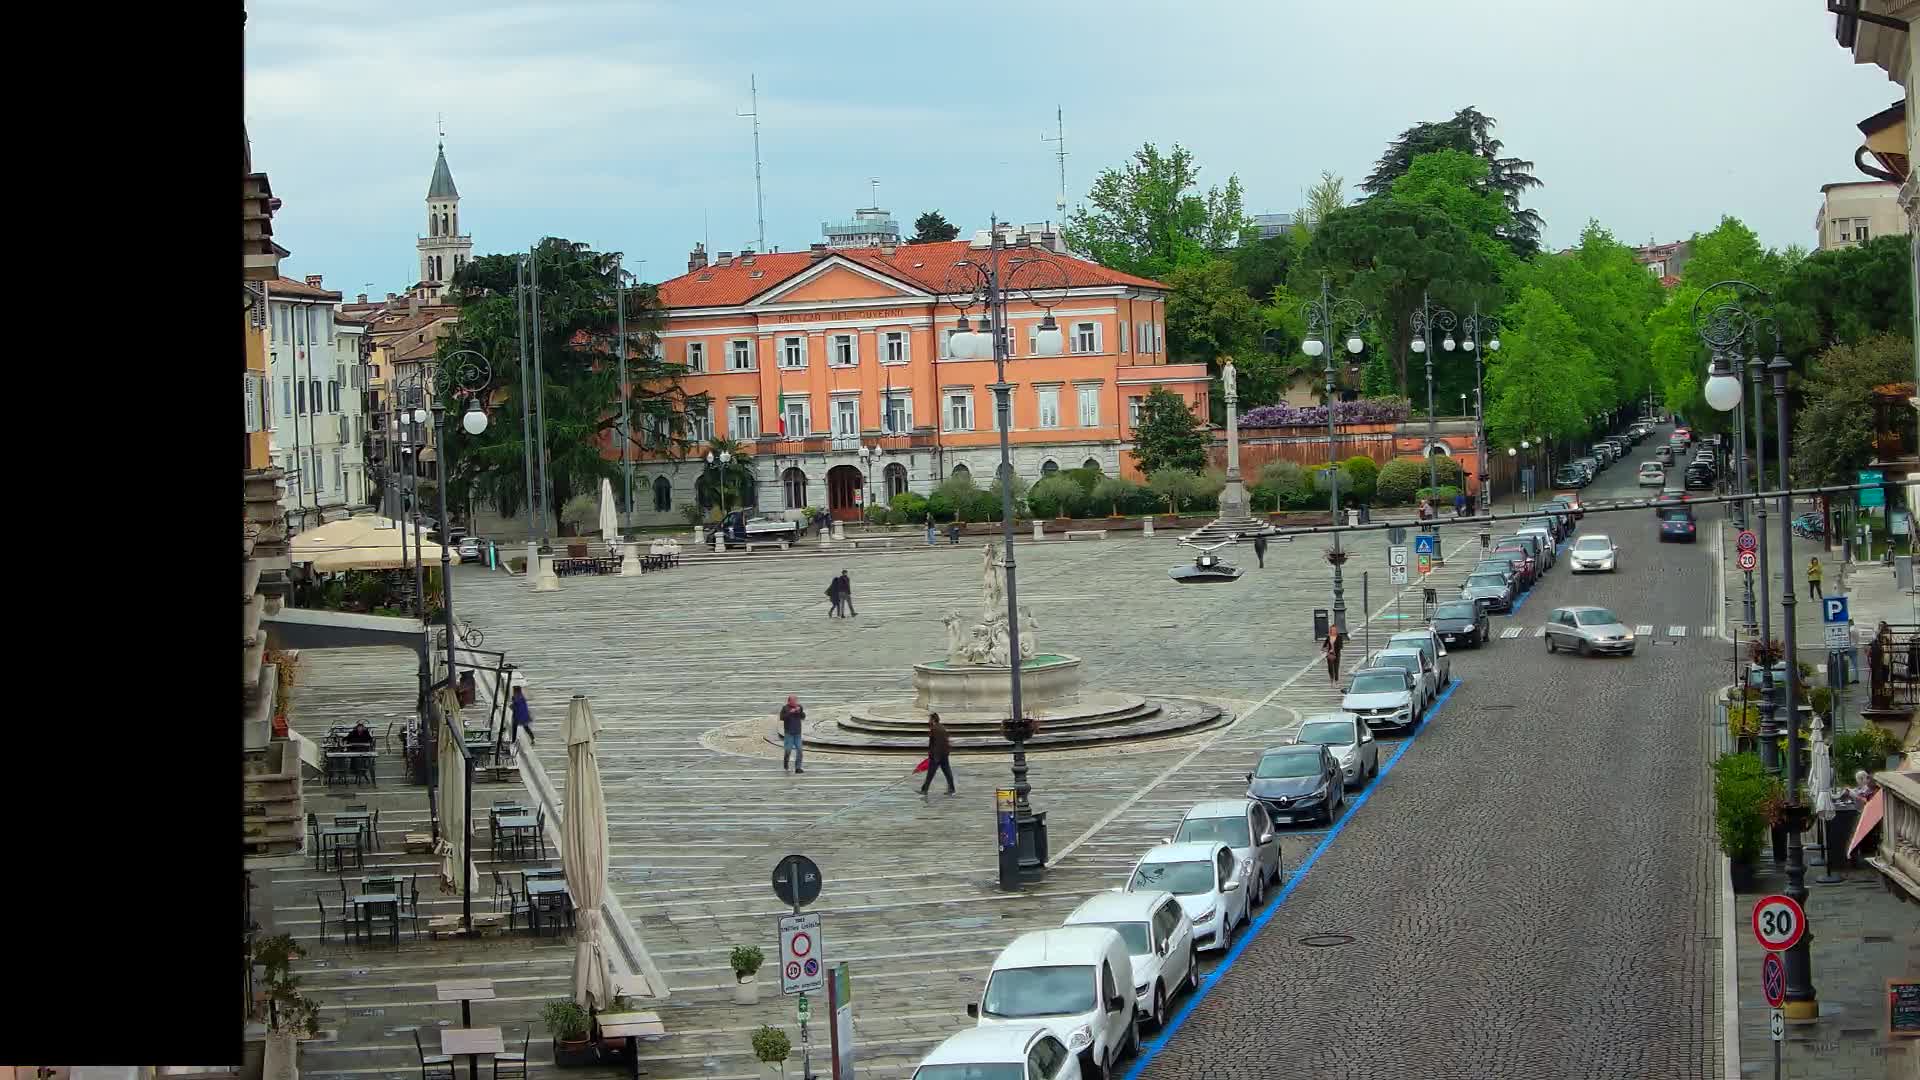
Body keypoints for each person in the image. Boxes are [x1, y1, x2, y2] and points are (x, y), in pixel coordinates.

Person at [920, 713, 955, 796]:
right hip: (944, 754)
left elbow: (935, 743)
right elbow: (946, 741)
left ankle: (924, 790)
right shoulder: (942, 727)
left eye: (929, 719)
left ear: (933, 720)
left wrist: (932, 755)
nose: (928, 721)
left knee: (930, 773)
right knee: (947, 772)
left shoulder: (934, 729)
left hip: (936, 755)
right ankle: (952, 789)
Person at [780, 695, 806, 773]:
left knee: (800, 750)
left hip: (797, 733)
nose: (795, 702)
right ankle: (786, 762)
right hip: (789, 733)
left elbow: (803, 716)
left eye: (796, 700)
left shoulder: (799, 707)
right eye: (793, 700)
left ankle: (798, 767)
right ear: (789, 701)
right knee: (788, 750)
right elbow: (782, 718)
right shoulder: (785, 708)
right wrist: (790, 713)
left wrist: (800, 711)